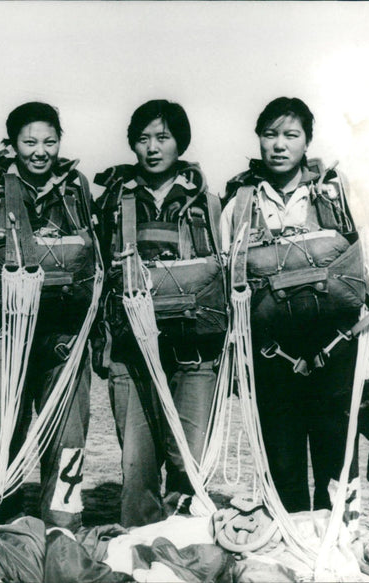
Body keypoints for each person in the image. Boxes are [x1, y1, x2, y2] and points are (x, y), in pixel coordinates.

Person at [219, 96, 369, 511]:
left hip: (337, 349)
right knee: (281, 462)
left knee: (337, 460)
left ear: (306, 142)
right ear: (259, 140)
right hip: (272, 356)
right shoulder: (239, 204)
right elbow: (228, 282)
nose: (279, 145)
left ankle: (339, 543)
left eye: (290, 135)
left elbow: (367, 256)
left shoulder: (335, 194)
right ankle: (290, 548)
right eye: (270, 135)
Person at [0, 102, 98, 530]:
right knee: (5, 440)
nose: (40, 151)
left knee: (69, 440)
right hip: (6, 337)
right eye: (30, 142)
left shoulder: (76, 189)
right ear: (13, 144)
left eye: (50, 141)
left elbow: (97, 262)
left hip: (64, 341)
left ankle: (64, 528)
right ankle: (4, 526)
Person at [93, 100, 226, 527]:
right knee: (138, 465)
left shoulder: (207, 202)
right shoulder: (112, 202)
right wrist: (102, 342)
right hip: (131, 353)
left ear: (180, 143)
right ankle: (142, 544)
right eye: (144, 138)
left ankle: (187, 542)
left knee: (190, 458)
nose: (152, 147)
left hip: (195, 351)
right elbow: (96, 273)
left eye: (163, 137)